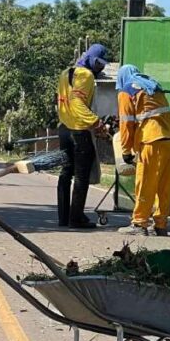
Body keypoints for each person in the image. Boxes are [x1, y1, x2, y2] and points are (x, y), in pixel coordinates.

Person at [115, 64, 170, 236]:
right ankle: (161, 224)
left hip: (153, 140)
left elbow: (126, 123)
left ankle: (139, 223)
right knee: (165, 184)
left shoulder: (127, 90)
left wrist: (126, 150)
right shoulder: (152, 85)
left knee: (145, 181)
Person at [56, 44, 107, 229]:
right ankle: (76, 218)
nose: (100, 67)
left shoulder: (65, 73)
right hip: (79, 131)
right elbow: (77, 102)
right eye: (99, 63)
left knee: (65, 173)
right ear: (91, 59)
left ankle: (64, 217)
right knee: (81, 175)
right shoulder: (86, 75)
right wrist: (95, 122)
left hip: (64, 129)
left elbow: (65, 101)